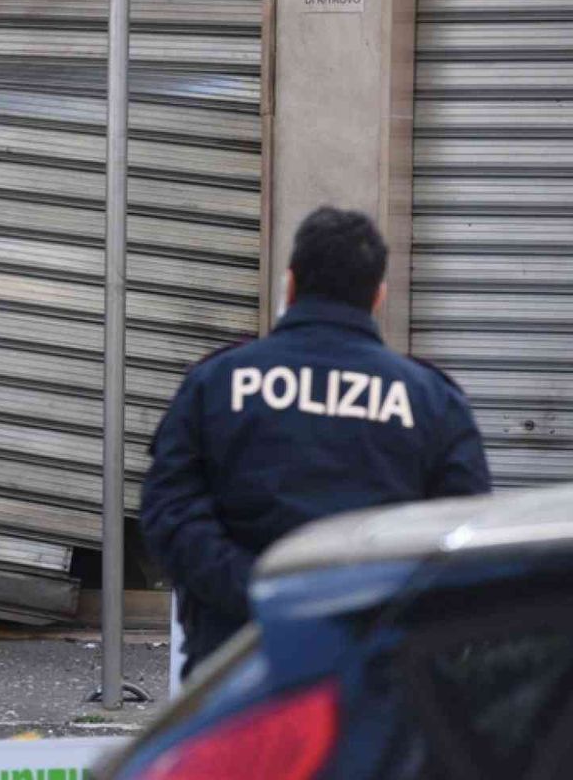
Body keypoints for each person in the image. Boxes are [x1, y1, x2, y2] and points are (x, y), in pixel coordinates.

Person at [140, 207, 490, 677]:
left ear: (289, 285)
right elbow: (463, 543)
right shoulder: (430, 399)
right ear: (378, 296)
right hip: (377, 677)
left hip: (236, 673)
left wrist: (258, 590)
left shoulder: (217, 382)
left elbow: (170, 513)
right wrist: (364, 605)